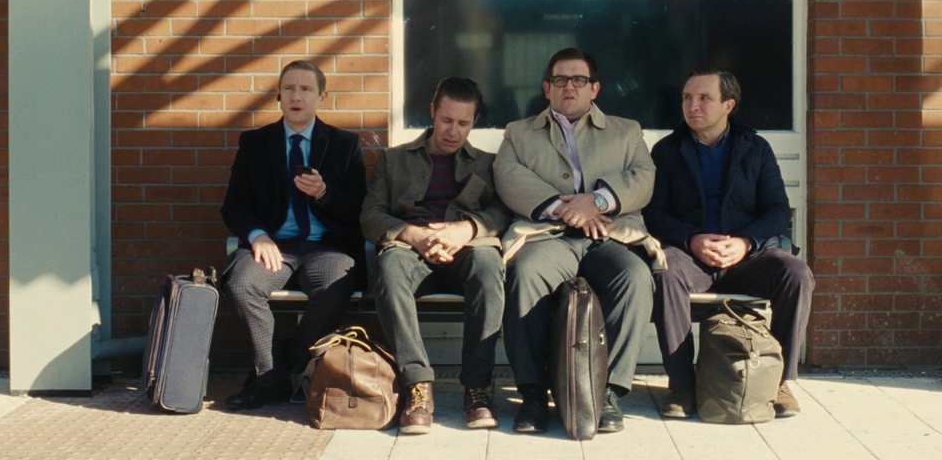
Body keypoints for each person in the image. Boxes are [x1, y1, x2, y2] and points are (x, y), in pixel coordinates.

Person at [493, 47, 662, 434]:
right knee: (526, 275)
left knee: (635, 278)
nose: (569, 86)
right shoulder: (519, 133)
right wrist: (562, 208)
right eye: (560, 80)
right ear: (547, 88)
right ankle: (533, 395)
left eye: (579, 80)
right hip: (547, 235)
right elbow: (507, 175)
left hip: (610, 235)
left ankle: (608, 392)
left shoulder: (626, 131)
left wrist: (596, 202)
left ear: (594, 88)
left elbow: (643, 178)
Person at [644, 67, 814, 419]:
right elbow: (653, 213)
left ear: (728, 105)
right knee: (666, 271)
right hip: (691, 256)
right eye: (687, 98)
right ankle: (681, 385)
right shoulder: (667, 151)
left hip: (747, 258)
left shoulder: (756, 148)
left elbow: (777, 210)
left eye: (704, 98)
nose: (692, 105)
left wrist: (746, 242)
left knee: (796, 273)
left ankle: (778, 382)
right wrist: (691, 239)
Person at [360, 77, 510, 434]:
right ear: (432, 112)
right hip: (411, 251)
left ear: (474, 122)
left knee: (489, 265)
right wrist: (411, 234)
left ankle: (477, 388)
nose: (453, 131)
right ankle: (417, 386)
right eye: (446, 120)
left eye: (463, 123)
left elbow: (503, 211)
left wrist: (467, 229)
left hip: (467, 251)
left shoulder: (488, 163)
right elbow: (370, 214)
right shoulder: (393, 160)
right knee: (389, 266)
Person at [219, 60, 366, 410]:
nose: (296, 96)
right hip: (274, 246)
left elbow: (360, 210)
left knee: (334, 287)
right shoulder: (255, 143)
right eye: (289, 89)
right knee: (242, 284)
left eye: (305, 89)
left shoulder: (344, 144)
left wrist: (324, 193)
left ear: (322, 97)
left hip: (326, 247)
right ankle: (272, 382)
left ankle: (283, 366)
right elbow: (233, 206)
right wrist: (258, 235)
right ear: (278, 95)